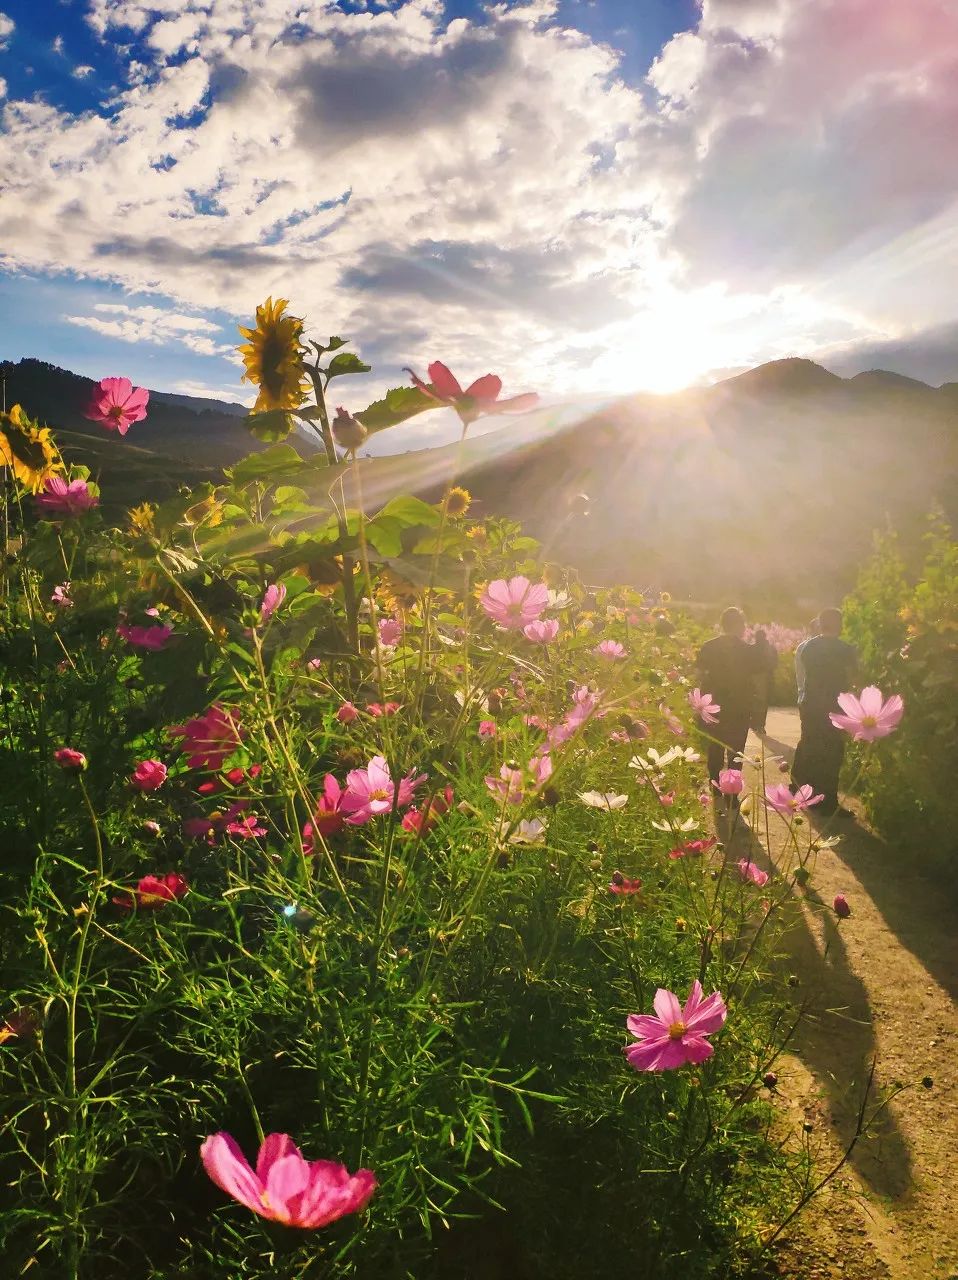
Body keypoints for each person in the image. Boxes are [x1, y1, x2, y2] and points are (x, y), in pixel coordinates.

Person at [792, 608, 858, 815]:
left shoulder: (808, 647)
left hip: (811, 704)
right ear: (839, 624)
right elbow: (854, 678)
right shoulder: (846, 650)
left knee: (811, 746)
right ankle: (828, 800)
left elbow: (803, 676)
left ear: (820, 624)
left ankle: (808, 794)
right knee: (833, 752)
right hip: (835, 706)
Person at [696, 607, 761, 785]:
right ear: (740, 625)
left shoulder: (708, 646)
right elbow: (757, 679)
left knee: (714, 745)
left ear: (723, 624)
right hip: (740, 706)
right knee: (736, 749)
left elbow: (699, 675)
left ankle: (714, 783)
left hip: (713, 704)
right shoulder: (748, 650)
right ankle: (732, 790)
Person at [749, 628, 778, 734]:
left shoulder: (751, 648)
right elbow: (775, 664)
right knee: (763, 703)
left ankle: (754, 723)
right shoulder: (771, 649)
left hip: (753, 677)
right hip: (766, 677)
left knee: (754, 701)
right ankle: (760, 724)